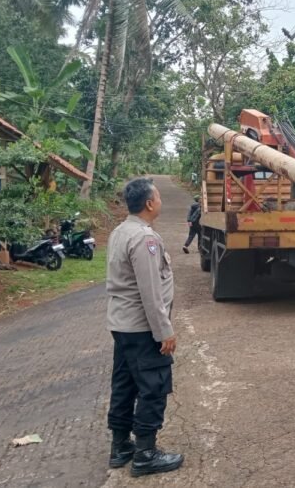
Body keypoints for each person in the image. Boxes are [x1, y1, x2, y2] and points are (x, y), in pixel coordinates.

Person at [106, 178, 184, 477]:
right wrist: (164, 331)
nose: (161, 201)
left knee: (124, 385)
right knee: (153, 386)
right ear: (150, 203)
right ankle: (146, 454)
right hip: (141, 328)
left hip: (123, 326)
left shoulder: (119, 231)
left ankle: (120, 445)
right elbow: (150, 292)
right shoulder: (144, 239)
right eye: (160, 197)